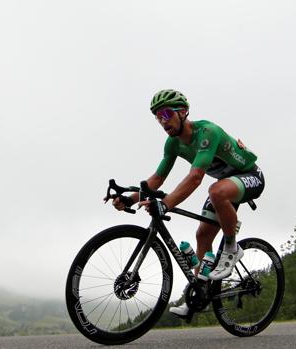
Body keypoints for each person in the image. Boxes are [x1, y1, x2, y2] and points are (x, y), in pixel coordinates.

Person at [112, 89, 265, 316]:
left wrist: (166, 204)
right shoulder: (172, 144)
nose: (162, 121)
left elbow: (195, 178)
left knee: (216, 190)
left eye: (166, 113)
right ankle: (198, 296)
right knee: (203, 235)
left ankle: (232, 248)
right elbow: (156, 179)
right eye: (157, 116)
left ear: (183, 112)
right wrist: (130, 199)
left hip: (251, 176)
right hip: (225, 186)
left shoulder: (207, 132)